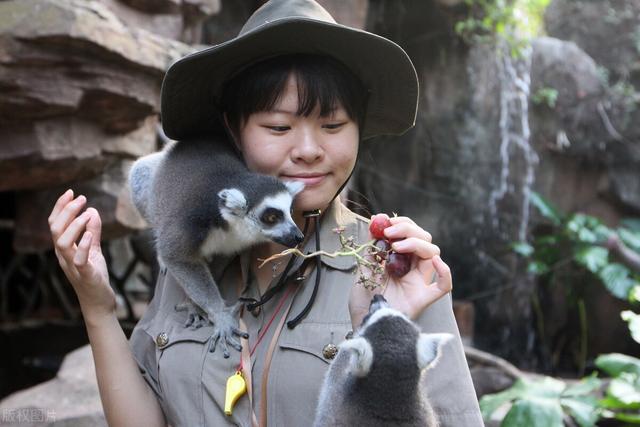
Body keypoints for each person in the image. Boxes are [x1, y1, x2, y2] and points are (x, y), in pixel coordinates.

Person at [48, 0, 483, 426]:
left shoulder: (392, 270)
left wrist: (381, 331)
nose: (309, 151)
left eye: (333, 126)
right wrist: (98, 307)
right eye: (278, 127)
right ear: (234, 131)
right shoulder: (193, 256)